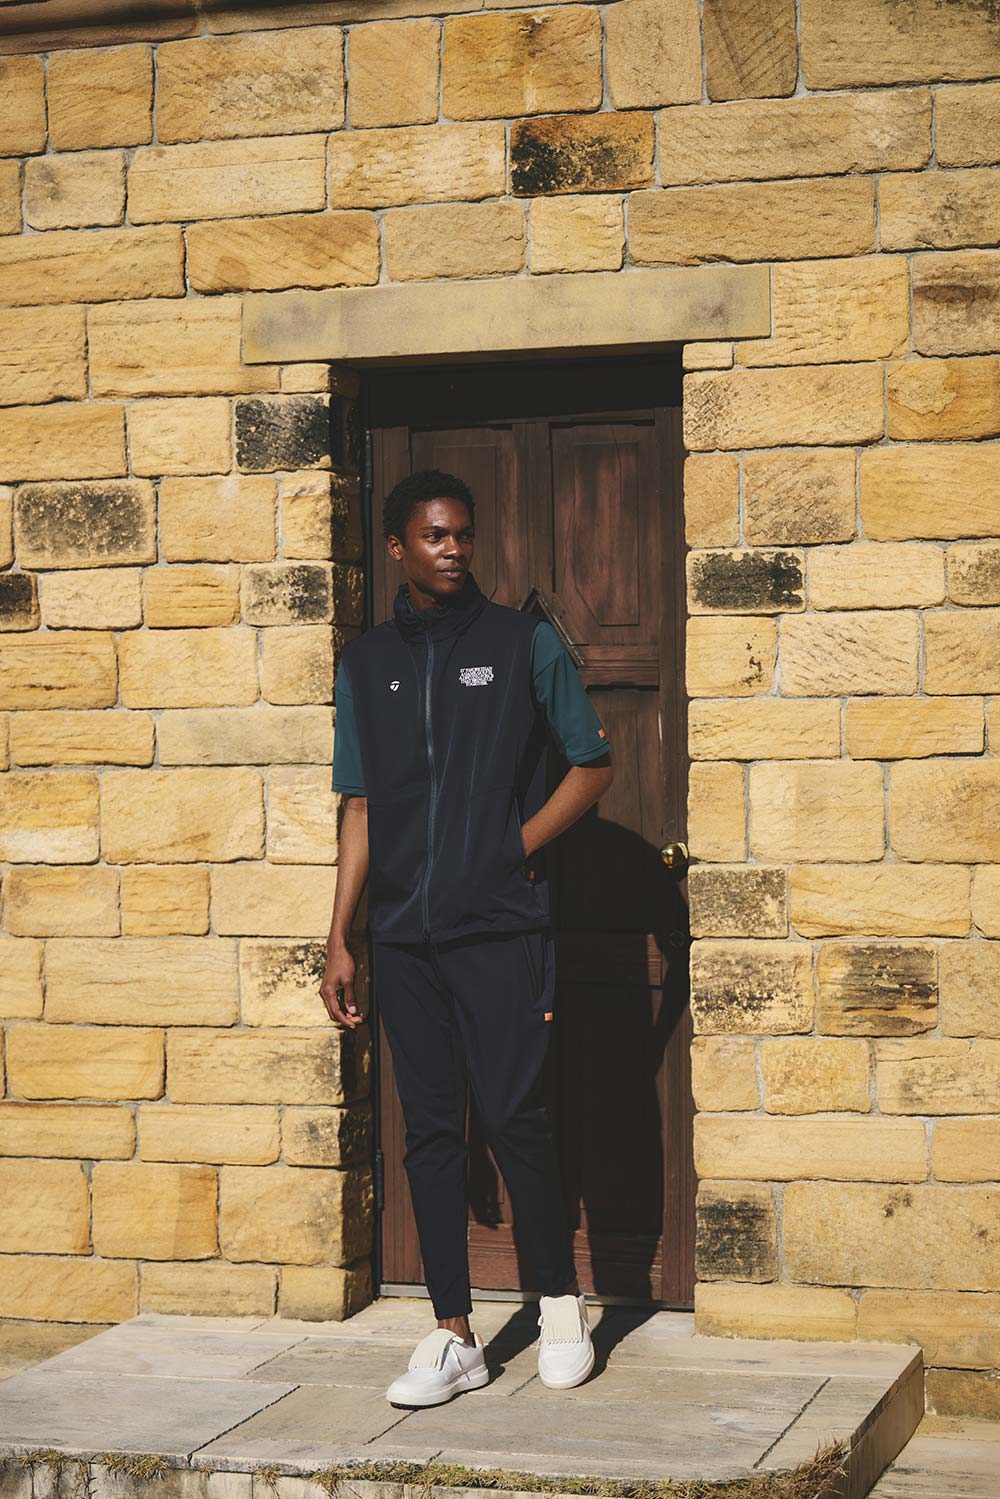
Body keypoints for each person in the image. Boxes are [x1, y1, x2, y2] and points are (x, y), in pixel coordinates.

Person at [321, 468, 614, 1408]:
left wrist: (508, 850)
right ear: (398, 547)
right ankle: (454, 1331)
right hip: (404, 937)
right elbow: (361, 807)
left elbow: (592, 766)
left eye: (463, 535)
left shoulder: (521, 642)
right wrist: (340, 936)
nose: (453, 549)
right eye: (434, 536)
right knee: (432, 1132)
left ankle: (559, 1302)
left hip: (498, 928)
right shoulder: (365, 663)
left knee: (517, 1114)